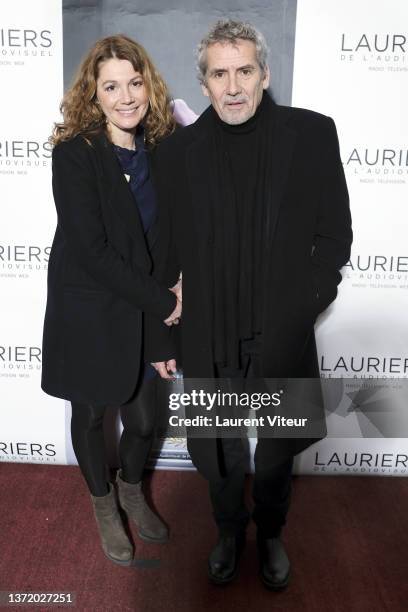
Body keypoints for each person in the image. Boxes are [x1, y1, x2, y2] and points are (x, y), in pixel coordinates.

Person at [151, 20, 352, 589]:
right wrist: (164, 334)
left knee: (276, 446)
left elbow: (335, 235)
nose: (233, 85)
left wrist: (306, 301)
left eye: (244, 71)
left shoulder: (311, 134)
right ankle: (226, 529)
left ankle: (269, 532)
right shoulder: (176, 152)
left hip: (279, 327)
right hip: (208, 328)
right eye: (219, 73)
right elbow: (164, 256)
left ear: (265, 74)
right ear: (205, 81)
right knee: (217, 446)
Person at [41, 34, 182, 566]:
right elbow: (93, 250)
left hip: (145, 308)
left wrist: (166, 315)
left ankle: (131, 491)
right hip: (92, 309)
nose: (127, 97)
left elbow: (168, 242)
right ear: (93, 94)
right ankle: (104, 506)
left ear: (149, 85)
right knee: (93, 413)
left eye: (135, 82)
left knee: (144, 421)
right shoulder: (75, 154)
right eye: (111, 86)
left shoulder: (163, 148)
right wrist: (166, 302)